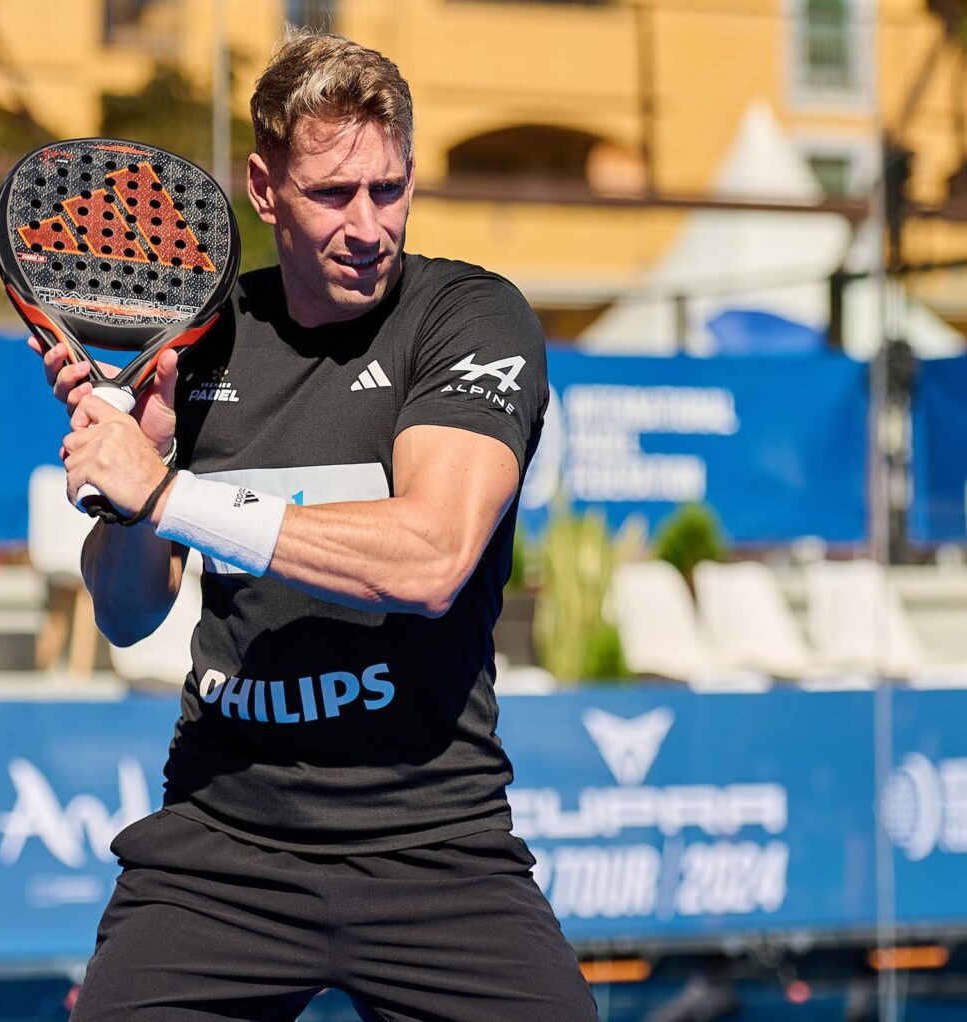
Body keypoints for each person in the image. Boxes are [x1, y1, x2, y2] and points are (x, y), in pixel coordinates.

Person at [36, 29, 599, 1022]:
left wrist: (170, 495)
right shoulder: (197, 338)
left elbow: (431, 558)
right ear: (265, 189)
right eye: (333, 194)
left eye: (390, 188)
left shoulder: (468, 317)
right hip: (222, 843)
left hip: (434, 840)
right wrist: (139, 484)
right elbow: (126, 614)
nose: (368, 224)